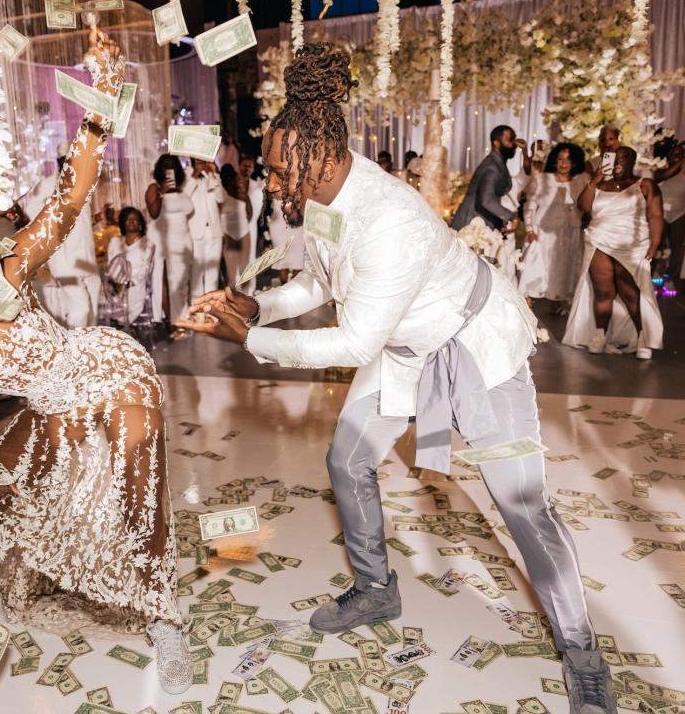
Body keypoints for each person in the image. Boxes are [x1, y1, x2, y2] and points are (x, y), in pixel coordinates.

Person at [180, 42, 616, 714]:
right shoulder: (324, 201)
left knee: (522, 506)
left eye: (279, 169)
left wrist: (247, 338)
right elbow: (315, 281)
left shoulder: (390, 219)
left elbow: (355, 341)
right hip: (406, 343)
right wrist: (256, 304)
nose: (272, 181)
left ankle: (585, 657)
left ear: (321, 157)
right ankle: (377, 588)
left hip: (475, 346)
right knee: (347, 458)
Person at [0, 31, 191, 695]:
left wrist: (100, 101)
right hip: (48, 405)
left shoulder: (5, 268)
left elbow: (72, 191)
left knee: (136, 484)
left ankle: (164, 616)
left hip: (105, 373)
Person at [563, 146, 664, 359]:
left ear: (632, 161)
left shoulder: (644, 184)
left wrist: (654, 244)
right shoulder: (599, 184)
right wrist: (595, 179)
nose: (618, 161)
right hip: (599, 239)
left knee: (631, 293)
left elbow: (655, 215)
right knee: (603, 292)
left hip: (631, 243)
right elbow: (583, 206)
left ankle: (642, 337)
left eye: (624, 158)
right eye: (614, 158)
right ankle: (600, 334)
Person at [26, 142, 101, 329]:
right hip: (64, 260)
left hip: (87, 259)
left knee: (93, 310)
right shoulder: (47, 185)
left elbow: (81, 222)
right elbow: (30, 217)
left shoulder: (84, 184)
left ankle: (87, 350)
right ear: (59, 161)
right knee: (80, 308)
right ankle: (71, 352)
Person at [518, 143, 590, 312]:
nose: (564, 163)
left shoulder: (580, 182)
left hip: (569, 232)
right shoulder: (542, 179)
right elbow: (530, 205)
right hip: (544, 231)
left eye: (568, 160)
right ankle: (529, 297)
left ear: (575, 163)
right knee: (538, 265)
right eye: (560, 159)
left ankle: (557, 299)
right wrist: (529, 229)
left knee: (563, 266)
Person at [452, 125, 531, 232]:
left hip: (479, 224)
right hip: (469, 225)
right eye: (509, 140)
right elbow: (487, 200)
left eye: (514, 139)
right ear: (496, 143)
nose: (514, 144)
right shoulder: (492, 167)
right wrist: (512, 217)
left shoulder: (497, 164)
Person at [145, 154, 194, 327]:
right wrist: (162, 193)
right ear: (160, 170)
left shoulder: (182, 189)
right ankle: (178, 321)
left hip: (185, 240)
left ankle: (183, 315)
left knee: (183, 281)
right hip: (167, 240)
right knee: (173, 282)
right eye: (165, 166)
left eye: (172, 165)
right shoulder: (154, 188)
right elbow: (153, 213)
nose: (169, 169)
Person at [104, 207, 164, 326]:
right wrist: (116, 283)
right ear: (122, 222)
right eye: (128, 219)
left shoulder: (147, 243)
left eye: (135, 219)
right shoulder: (115, 241)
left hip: (135, 285)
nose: (132, 221)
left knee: (128, 300)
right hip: (114, 285)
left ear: (141, 223)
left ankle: (123, 326)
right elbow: (111, 265)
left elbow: (145, 270)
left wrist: (127, 284)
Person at [184, 159, 226, 298]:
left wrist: (213, 176)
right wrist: (195, 175)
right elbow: (184, 198)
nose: (202, 162)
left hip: (214, 232)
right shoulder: (186, 175)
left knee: (213, 273)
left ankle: (211, 309)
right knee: (196, 273)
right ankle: (197, 310)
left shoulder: (213, 176)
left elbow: (221, 199)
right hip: (196, 232)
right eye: (198, 160)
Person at [219, 164, 254, 293]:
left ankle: (244, 298)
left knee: (243, 269)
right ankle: (235, 301)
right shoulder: (220, 194)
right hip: (230, 234)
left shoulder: (240, 191)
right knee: (232, 272)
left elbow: (249, 212)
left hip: (242, 232)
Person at [655, 141, 684, 291]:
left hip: (679, 213)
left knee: (676, 248)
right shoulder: (659, 169)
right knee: (659, 245)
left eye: (680, 154)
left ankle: (670, 278)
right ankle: (656, 275)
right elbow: (664, 176)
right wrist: (681, 161)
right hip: (661, 213)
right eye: (674, 154)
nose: (676, 157)